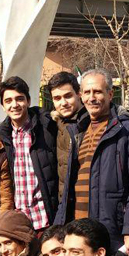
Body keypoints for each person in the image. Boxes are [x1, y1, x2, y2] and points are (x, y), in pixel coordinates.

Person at [56, 69, 129, 253]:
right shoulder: (78, 131)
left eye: (98, 92)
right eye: (87, 92)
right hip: (77, 228)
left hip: (110, 229)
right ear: (81, 95)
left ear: (110, 94)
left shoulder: (128, 131)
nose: (92, 98)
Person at [0, 76, 59, 234]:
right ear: (3, 106)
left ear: (28, 101)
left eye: (19, 99)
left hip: (47, 219)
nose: (14, 105)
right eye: (8, 101)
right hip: (20, 223)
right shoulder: (2, 136)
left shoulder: (47, 128)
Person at [47, 71, 85, 202]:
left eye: (68, 96)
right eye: (57, 98)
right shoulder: (54, 125)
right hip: (64, 204)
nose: (63, 103)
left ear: (78, 94)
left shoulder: (89, 123)